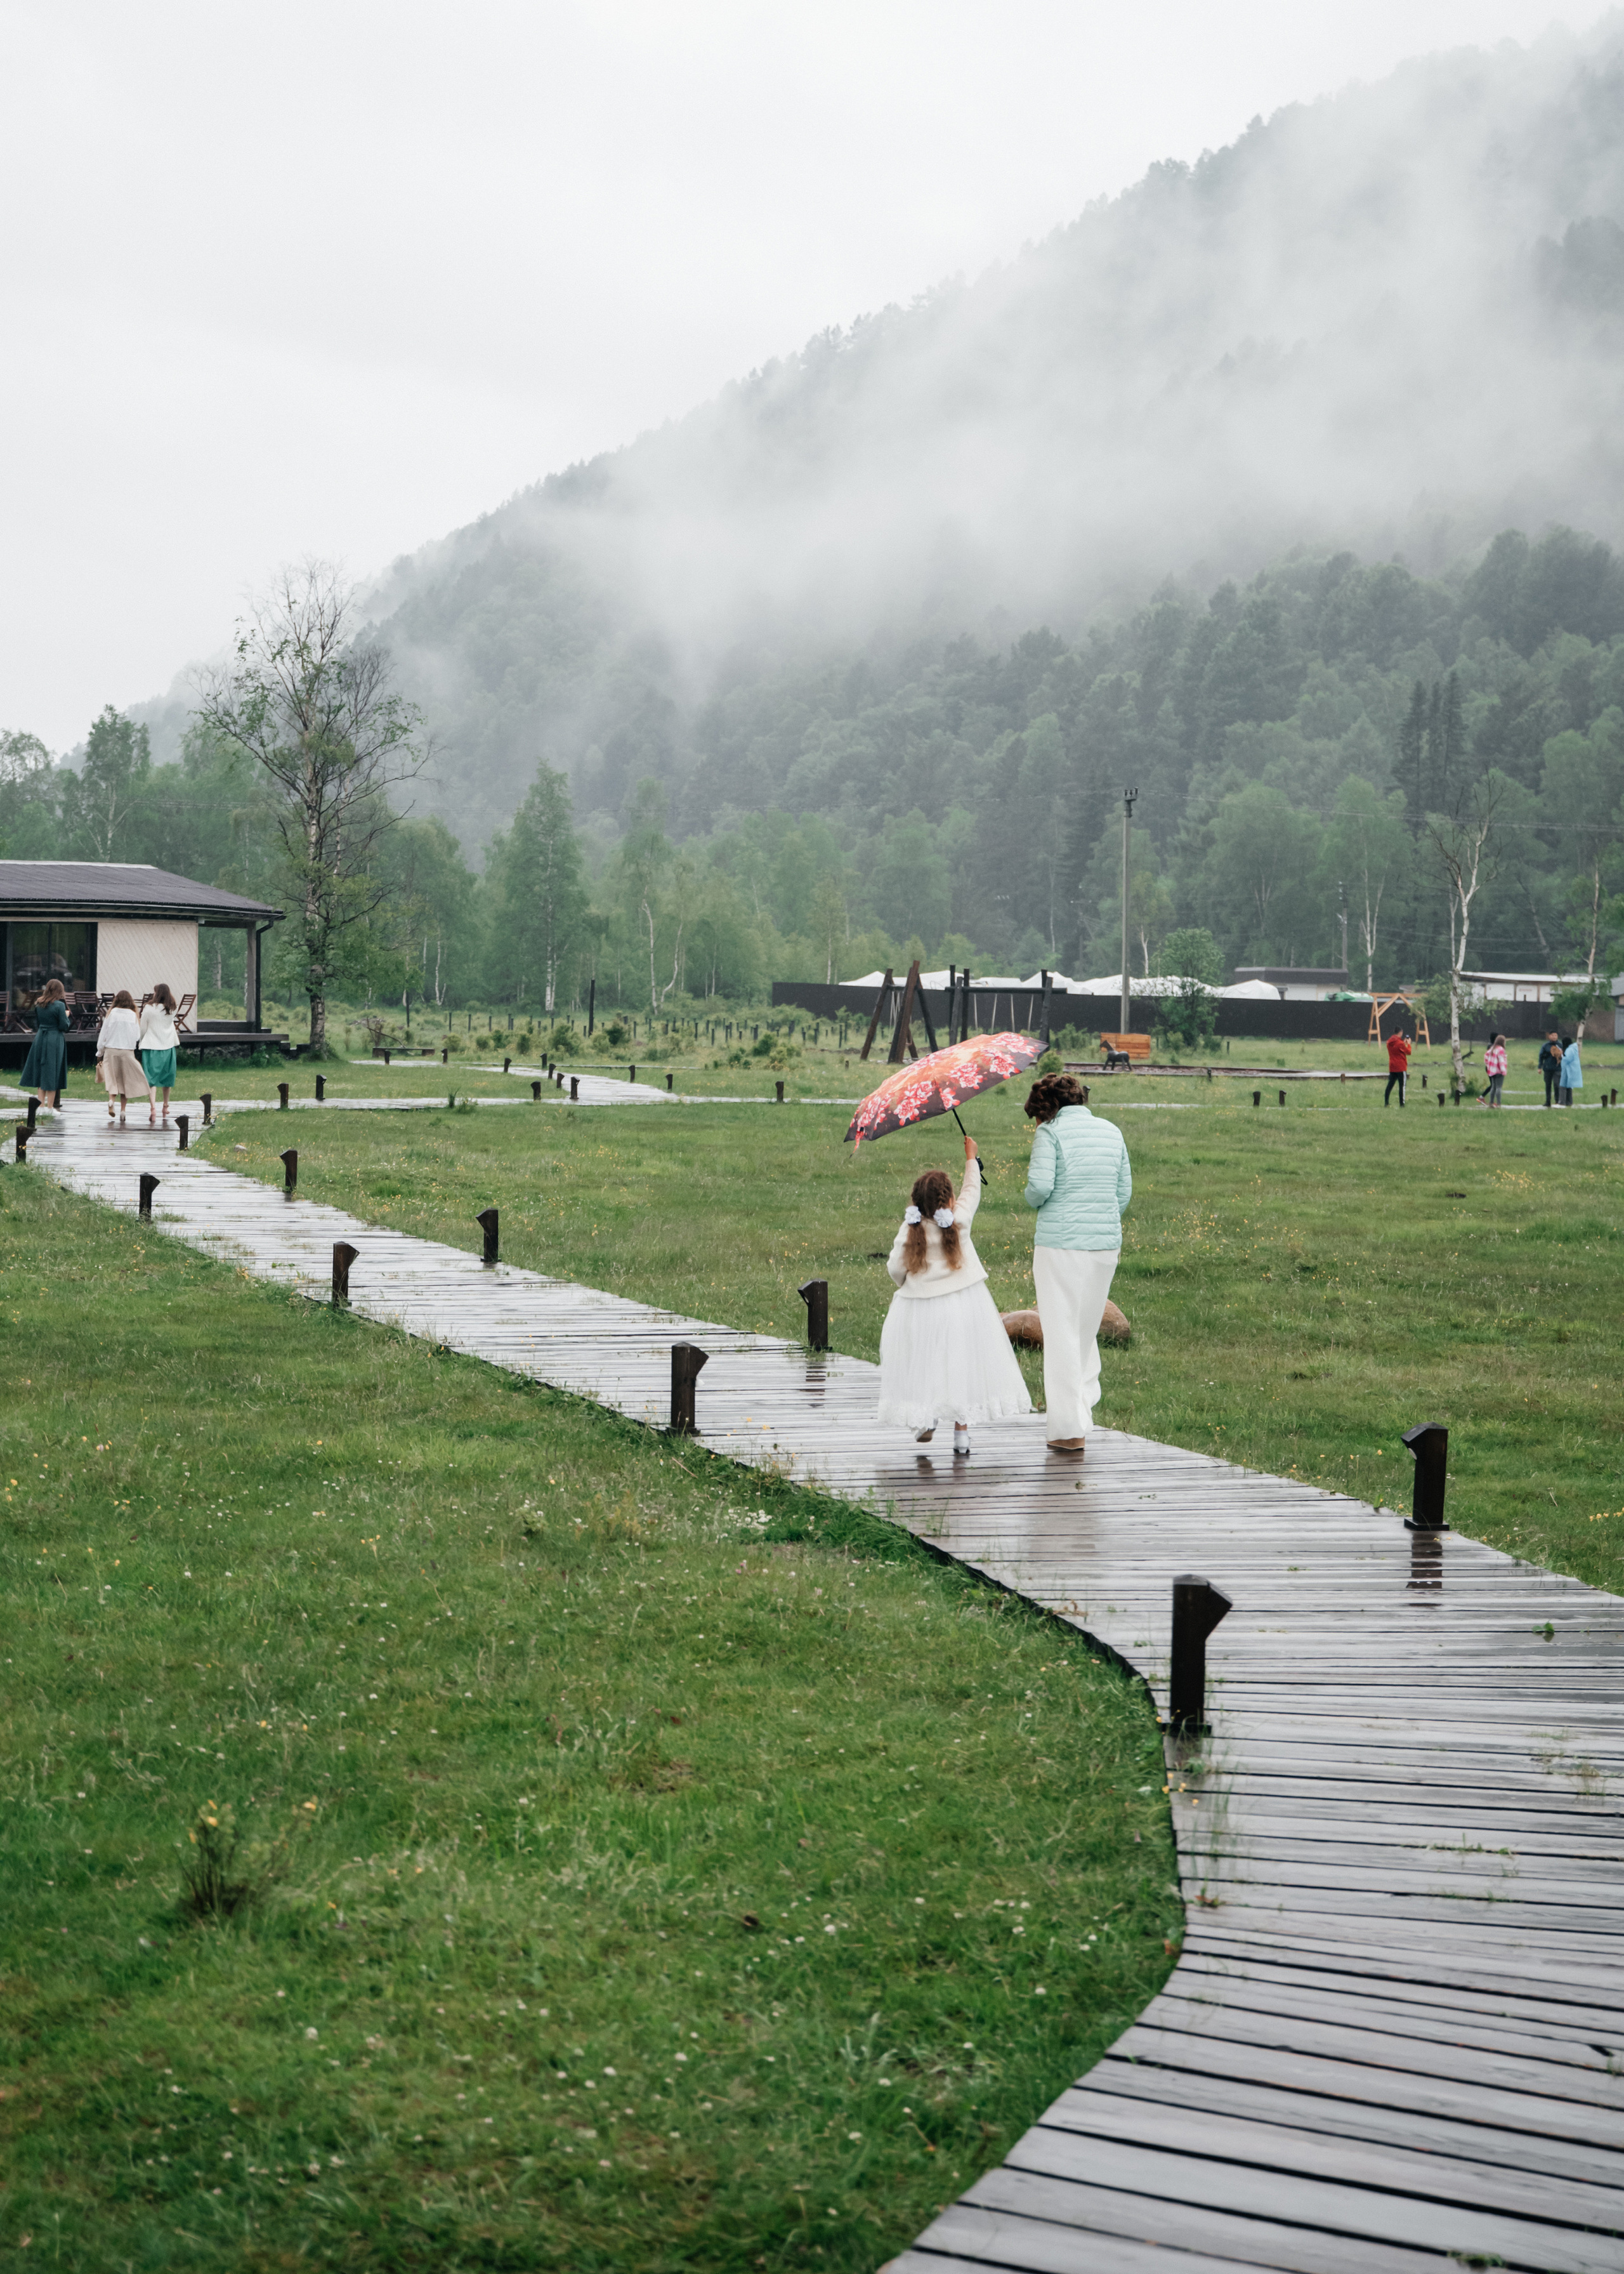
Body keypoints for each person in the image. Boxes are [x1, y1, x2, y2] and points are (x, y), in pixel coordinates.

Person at [877, 1133, 1030, 1457]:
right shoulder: (959, 1221)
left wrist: (908, 1281)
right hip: (963, 1305)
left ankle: (928, 1419)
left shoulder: (910, 1229)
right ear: (949, 1201)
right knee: (961, 1364)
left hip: (918, 1308)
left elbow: (895, 1269)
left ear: (916, 1203)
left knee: (926, 1364)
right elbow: (972, 1192)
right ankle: (962, 1436)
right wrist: (970, 1157)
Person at [1023, 1069, 1132, 1455]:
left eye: (1036, 1116)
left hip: (1060, 1247)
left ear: (1047, 1111)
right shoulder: (1112, 1132)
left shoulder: (1049, 1134)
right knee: (1084, 1335)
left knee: (1062, 1336)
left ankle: (1069, 1430)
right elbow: (1123, 1193)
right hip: (1104, 1248)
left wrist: (1028, 1194)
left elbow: (1040, 1189)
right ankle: (1081, 1415)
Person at [96, 990, 150, 1124]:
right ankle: (123, 1111)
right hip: (127, 1051)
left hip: (111, 1050)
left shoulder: (112, 1014)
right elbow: (137, 1036)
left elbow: (104, 1034)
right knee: (126, 1081)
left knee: (113, 1079)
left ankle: (111, 1101)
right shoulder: (133, 1015)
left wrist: (100, 1052)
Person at [20, 976, 70, 1110]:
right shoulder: (60, 1006)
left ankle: (40, 1106)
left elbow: (39, 1022)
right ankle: (50, 1108)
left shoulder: (39, 1004)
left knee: (42, 1072)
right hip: (54, 1040)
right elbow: (63, 1026)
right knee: (52, 1073)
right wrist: (66, 1016)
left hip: (41, 1038)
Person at [138, 983, 181, 1124]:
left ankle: (153, 1108)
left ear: (157, 993)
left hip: (151, 1046)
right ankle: (165, 1106)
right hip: (168, 1045)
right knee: (167, 1078)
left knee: (152, 1080)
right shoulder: (172, 1008)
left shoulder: (149, 1008)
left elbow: (143, 1027)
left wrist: (140, 1041)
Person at [1384, 1025, 1412, 1107]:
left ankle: (1386, 1102)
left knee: (1390, 1085)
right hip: (1401, 1067)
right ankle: (1402, 1104)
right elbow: (1408, 1052)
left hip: (1392, 1067)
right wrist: (1409, 1044)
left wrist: (1403, 1042)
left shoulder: (1389, 1042)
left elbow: (1396, 1047)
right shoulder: (1400, 1043)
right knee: (1402, 1086)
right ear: (1401, 1032)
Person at [1481, 1032, 1507, 1108]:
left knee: (1493, 1087)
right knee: (1499, 1087)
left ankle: (1491, 1103)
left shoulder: (1492, 1048)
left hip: (1492, 1071)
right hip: (1499, 1071)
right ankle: (1499, 1104)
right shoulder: (1501, 1050)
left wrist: (1488, 1066)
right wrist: (1503, 1071)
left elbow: (1486, 1056)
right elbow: (1501, 1061)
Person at [1538, 1029, 1562, 1108]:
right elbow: (1541, 1056)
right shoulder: (1546, 1046)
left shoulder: (1560, 1045)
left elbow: (1565, 1056)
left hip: (1557, 1068)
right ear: (1549, 1036)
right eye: (1552, 1035)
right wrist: (1540, 1067)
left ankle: (1557, 1101)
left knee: (1556, 1084)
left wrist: (1561, 1055)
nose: (1554, 1037)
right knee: (1548, 1085)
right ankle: (1548, 1101)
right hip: (1548, 1068)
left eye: (1556, 1035)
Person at [1559, 1034, 1583, 1107]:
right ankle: (1569, 1102)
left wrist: (1561, 1056)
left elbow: (1567, 1059)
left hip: (1568, 1070)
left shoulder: (1570, 1050)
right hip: (1572, 1070)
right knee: (1569, 1086)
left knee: (1563, 1086)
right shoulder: (1574, 1048)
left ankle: (1562, 1102)